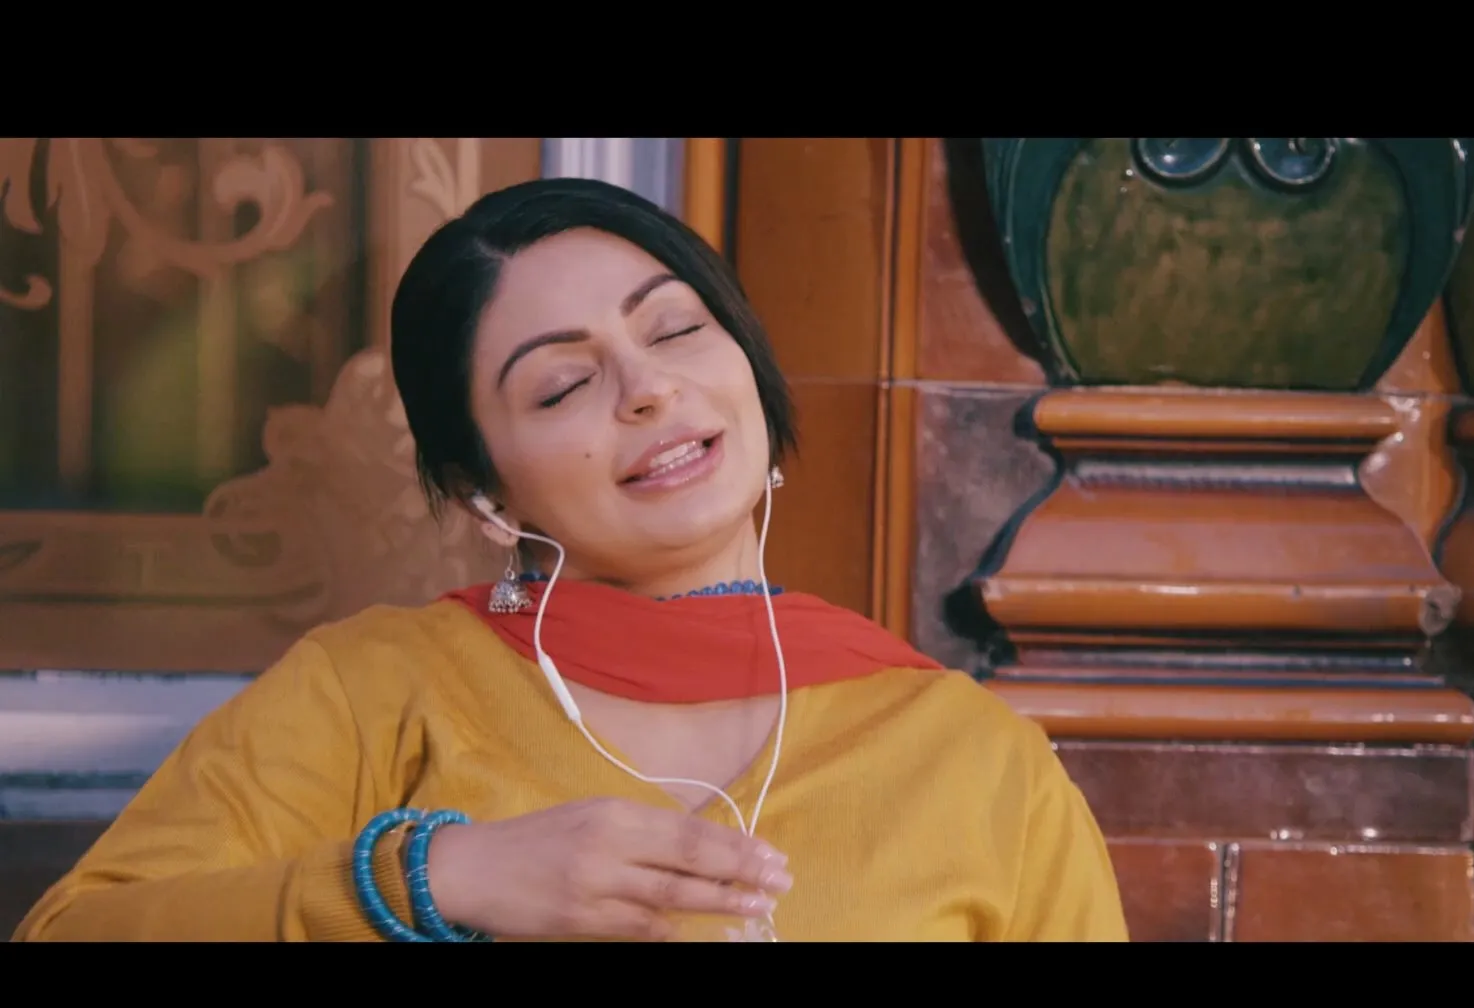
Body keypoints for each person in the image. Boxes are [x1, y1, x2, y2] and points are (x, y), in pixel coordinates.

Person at [12, 177, 1128, 943]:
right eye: (560, 385)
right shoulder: (375, 693)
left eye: (676, 328)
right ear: (486, 492)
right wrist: (435, 880)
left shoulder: (977, 762)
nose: (647, 388)